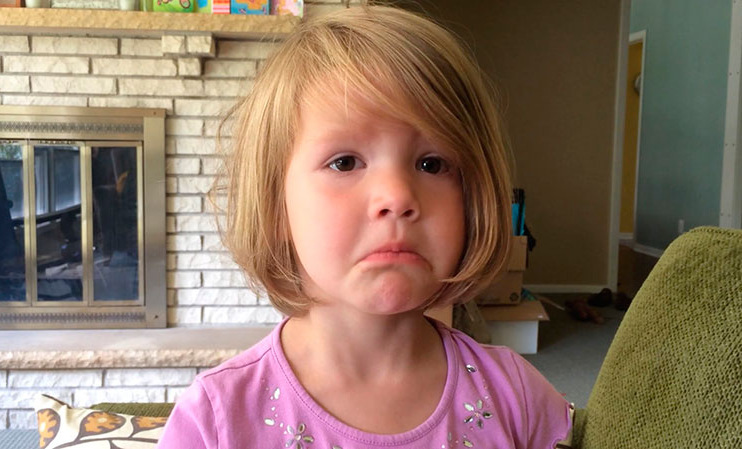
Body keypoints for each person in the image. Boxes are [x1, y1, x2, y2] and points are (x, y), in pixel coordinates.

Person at [157, 4, 574, 448]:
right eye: (344, 162)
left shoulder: (517, 398)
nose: (397, 196)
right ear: (276, 205)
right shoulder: (216, 420)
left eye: (432, 164)